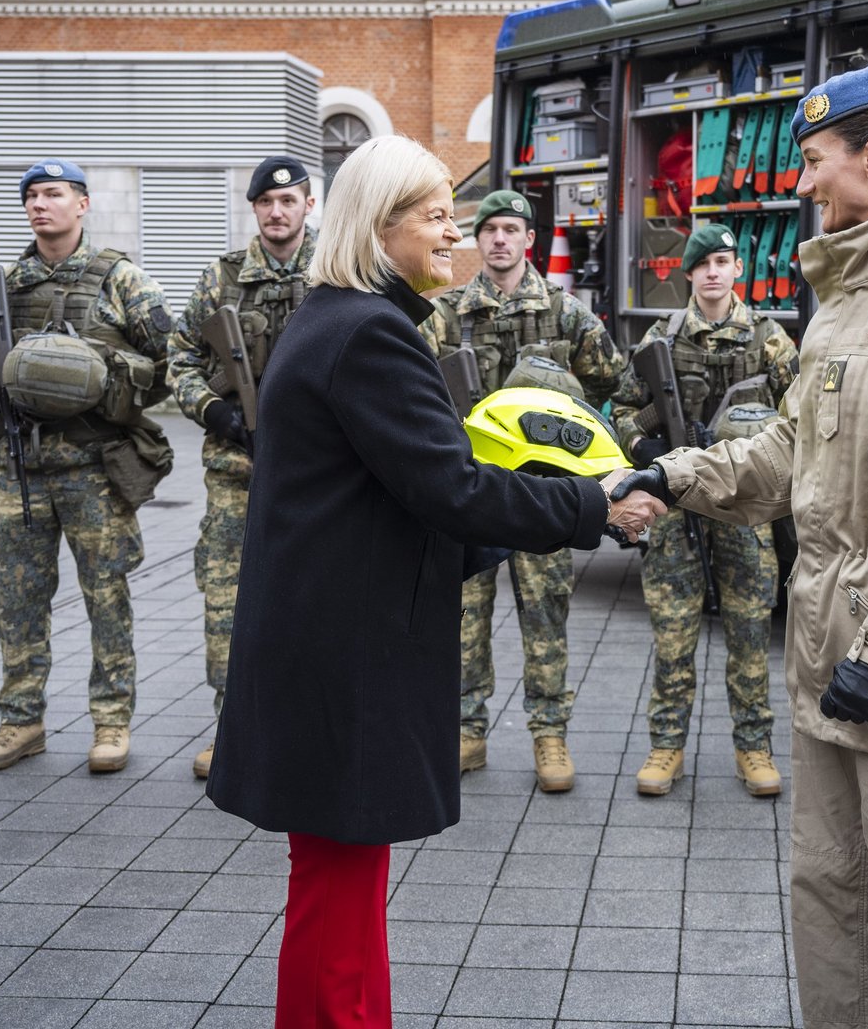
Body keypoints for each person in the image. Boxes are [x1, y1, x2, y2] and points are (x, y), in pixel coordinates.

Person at [204, 135, 662, 1028]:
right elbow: (451, 488)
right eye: (437, 217)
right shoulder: (371, 332)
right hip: (344, 660)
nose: (454, 233)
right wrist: (590, 509)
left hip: (325, 645)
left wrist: (528, 518)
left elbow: (398, 501)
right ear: (381, 229)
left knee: (338, 892)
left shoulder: (336, 315)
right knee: (338, 901)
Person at [617, 64, 868, 1028]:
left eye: (814, 161)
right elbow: (788, 451)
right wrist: (675, 477)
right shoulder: (846, 297)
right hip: (828, 676)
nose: (801, 183)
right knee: (831, 917)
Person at [0, 159, 175, 775]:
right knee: (16, 597)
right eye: (32, 196)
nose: (41, 205)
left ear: (83, 204)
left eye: (55, 194)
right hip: (21, 466)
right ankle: (22, 722)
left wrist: (102, 377)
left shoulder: (120, 280)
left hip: (93, 466)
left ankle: (111, 724)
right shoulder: (2, 286)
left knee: (107, 597)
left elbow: (173, 359)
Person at [421, 188, 624, 791]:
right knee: (463, 616)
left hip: (541, 496)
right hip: (470, 491)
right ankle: (466, 729)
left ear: (529, 239)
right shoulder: (445, 314)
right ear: (476, 240)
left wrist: (579, 448)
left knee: (546, 614)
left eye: (511, 229)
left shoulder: (563, 312)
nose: (500, 239)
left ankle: (550, 734)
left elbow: (611, 380)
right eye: (490, 230)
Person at [608, 223, 800, 797]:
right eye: (703, 263)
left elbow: (802, 419)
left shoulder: (769, 339)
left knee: (748, 633)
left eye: (724, 260)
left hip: (745, 511)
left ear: (737, 268)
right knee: (673, 635)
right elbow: (620, 408)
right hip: (673, 511)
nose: (714, 271)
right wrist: (644, 450)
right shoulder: (659, 341)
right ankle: (666, 746)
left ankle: (755, 748)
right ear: (688, 273)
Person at [167, 155, 317, 779]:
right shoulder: (220, 279)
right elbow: (177, 360)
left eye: (288, 201)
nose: (277, 212)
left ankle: (308, 729)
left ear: (310, 205)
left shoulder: (339, 273)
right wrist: (213, 413)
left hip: (318, 474)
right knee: (227, 599)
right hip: (236, 471)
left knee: (314, 601)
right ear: (253, 209)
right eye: (265, 203)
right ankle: (233, 726)